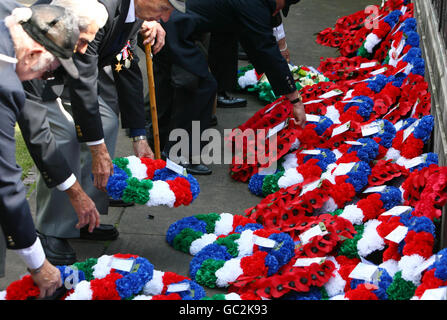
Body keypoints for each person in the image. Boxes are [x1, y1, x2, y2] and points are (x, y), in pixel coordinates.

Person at [26, 0, 183, 266]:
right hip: (39, 66)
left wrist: (138, 135)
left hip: (71, 71)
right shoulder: (98, 10)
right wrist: (97, 149)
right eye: (165, 7)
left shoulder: (136, 15)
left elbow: (127, 66)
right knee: (64, 135)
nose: (165, 18)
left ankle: (85, 215)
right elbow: (84, 81)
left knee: (107, 121)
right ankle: (50, 228)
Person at [0, 4, 80, 298]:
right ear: (33, 53)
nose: (44, 78)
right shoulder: (4, 83)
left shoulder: (9, 16)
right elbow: (6, 182)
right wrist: (39, 264)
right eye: (47, 71)